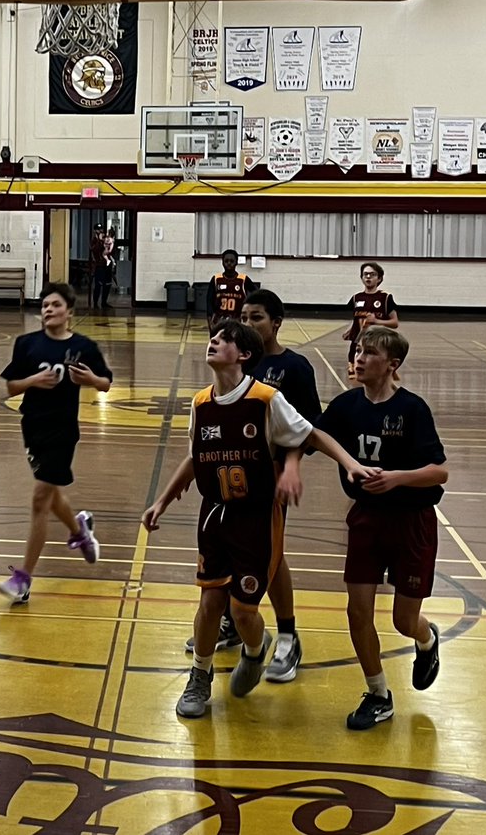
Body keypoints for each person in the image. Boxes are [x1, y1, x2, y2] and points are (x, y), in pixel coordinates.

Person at [142, 320, 374, 720]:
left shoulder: (265, 399)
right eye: (212, 338)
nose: (213, 342)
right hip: (214, 513)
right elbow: (194, 457)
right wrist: (162, 500)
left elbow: (312, 434)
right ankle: (200, 675)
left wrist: (350, 463)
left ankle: (254, 648)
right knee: (210, 599)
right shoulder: (200, 403)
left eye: (223, 339)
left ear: (244, 354)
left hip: (256, 516)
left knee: (243, 610)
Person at [312, 327, 447, 731]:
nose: (358, 358)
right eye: (357, 351)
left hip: (412, 521)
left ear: (392, 365)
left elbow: (439, 471)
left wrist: (397, 478)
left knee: (403, 621)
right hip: (367, 519)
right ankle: (377, 694)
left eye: (368, 353)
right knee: (357, 610)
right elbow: (312, 435)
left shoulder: (412, 409)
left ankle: (426, 639)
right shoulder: (345, 406)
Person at [186, 289, 323, 682]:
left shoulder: (292, 368)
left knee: (273, 559)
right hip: (230, 480)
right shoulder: (226, 375)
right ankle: (233, 621)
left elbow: (308, 431)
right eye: (243, 317)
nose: (248, 324)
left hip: (271, 481)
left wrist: (290, 468)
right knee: (232, 565)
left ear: (276, 322)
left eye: (256, 318)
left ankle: (286, 633)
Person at [0, 281, 113, 604]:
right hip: (33, 426)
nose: (48, 309)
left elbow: (105, 383)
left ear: (69, 312)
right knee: (51, 494)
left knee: (39, 499)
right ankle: (79, 530)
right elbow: (10, 388)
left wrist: (90, 380)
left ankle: (23, 579)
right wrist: (33, 381)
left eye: (56, 305)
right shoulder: (26, 344)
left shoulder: (83, 346)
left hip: (63, 430)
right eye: (45, 305)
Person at [344, 262, 399, 381]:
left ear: (379, 278)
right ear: (362, 278)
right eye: (365, 274)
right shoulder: (356, 298)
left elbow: (395, 323)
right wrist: (350, 330)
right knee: (355, 379)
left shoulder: (385, 298)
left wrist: (376, 321)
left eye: (372, 274)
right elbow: (357, 319)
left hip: (377, 343)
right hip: (358, 343)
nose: (368, 277)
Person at [207, 249, 256, 330]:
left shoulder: (243, 279)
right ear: (222, 262)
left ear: (236, 262)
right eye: (226, 261)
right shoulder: (216, 279)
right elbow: (209, 301)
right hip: (219, 320)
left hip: (237, 320)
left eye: (231, 261)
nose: (229, 263)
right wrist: (209, 320)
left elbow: (256, 294)